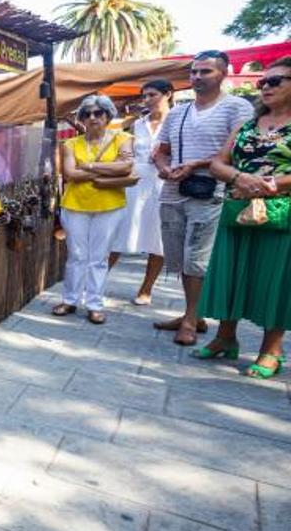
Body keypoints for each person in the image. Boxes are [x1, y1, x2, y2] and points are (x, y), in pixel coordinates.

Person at [195, 57, 291, 377]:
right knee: (231, 272)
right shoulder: (246, 125)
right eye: (264, 81)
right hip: (237, 208)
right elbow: (218, 164)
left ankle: (271, 350)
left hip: (280, 214)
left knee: (275, 278)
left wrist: (271, 183)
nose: (266, 86)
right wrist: (239, 178)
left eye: (276, 81)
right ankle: (225, 337)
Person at [152, 51, 253, 346]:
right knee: (180, 257)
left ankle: (190, 319)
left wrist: (195, 164)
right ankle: (192, 314)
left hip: (211, 191)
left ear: (224, 73)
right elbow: (161, 149)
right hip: (174, 191)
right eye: (194, 72)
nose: (197, 77)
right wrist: (164, 168)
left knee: (197, 257)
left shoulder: (237, 107)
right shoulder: (178, 111)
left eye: (206, 71)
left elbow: (237, 151)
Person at [52, 94, 135, 323]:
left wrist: (88, 166)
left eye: (98, 113)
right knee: (76, 255)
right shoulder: (71, 144)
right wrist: (110, 167)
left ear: (108, 115)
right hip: (75, 205)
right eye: (86, 114)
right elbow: (70, 174)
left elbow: (126, 167)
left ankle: (94, 304)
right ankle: (69, 300)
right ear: (81, 119)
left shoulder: (123, 138)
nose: (92, 117)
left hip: (110, 206)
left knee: (99, 258)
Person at [108, 79, 173, 304]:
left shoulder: (176, 121)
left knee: (158, 238)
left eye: (152, 95)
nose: (147, 100)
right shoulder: (137, 124)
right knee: (119, 233)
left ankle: (146, 289)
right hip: (135, 182)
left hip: (164, 182)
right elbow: (128, 154)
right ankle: (94, 283)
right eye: (144, 96)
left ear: (168, 95)